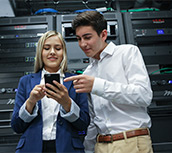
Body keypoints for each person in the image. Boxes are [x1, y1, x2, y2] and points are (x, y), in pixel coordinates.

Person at [64, 11, 153, 153]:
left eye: (87, 37)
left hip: (130, 142)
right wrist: (88, 149)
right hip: (101, 145)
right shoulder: (88, 73)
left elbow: (144, 96)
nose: (82, 44)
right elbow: (94, 118)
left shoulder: (127, 53)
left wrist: (97, 85)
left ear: (103, 34)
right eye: (79, 38)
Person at [11, 30, 90, 153]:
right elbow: (16, 126)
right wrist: (31, 102)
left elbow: (83, 124)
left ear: (63, 53)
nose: (52, 52)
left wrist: (67, 103)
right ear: (40, 52)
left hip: (68, 148)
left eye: (57, 48)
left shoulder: (75, 81)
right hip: (31, 148)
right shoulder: (26, 81)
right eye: (47, 48)